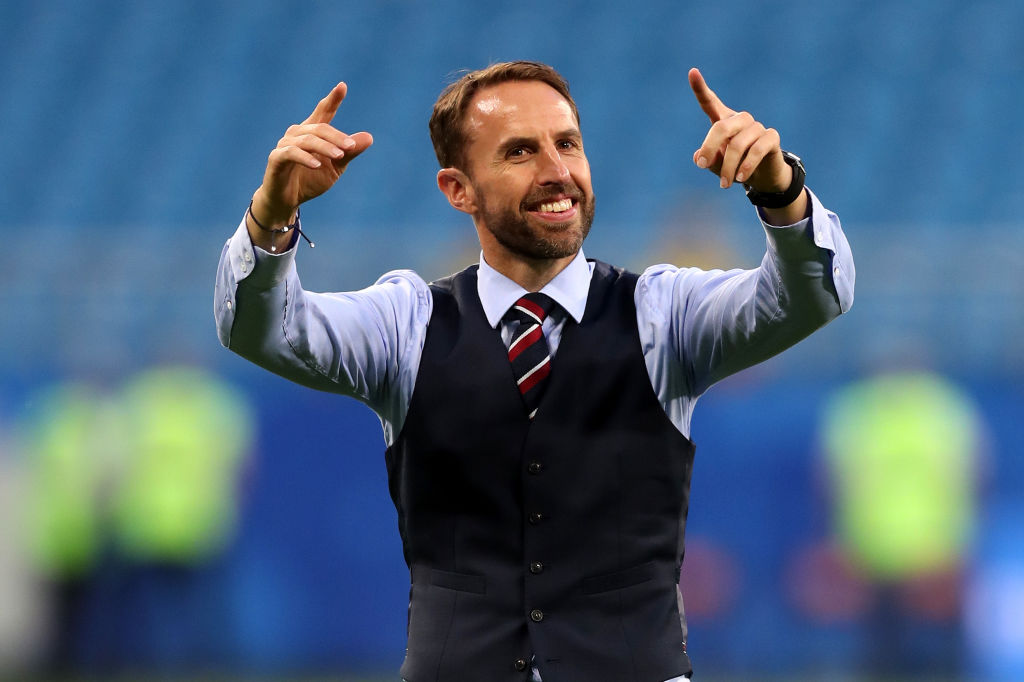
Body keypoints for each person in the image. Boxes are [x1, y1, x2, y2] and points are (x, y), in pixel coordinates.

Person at [214, 61, 854, 682]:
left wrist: (780, 189)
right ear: (457, 189)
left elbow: (815, 295)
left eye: (568, 144)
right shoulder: (406, 323)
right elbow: (257, 329)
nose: (557, 172)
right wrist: (272, 217)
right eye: (520, 152)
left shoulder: (663, 314)